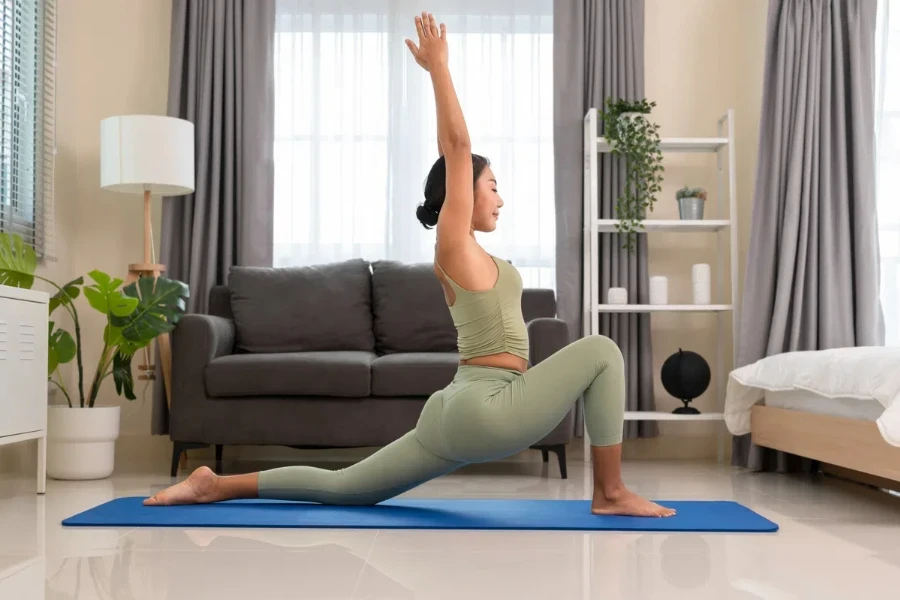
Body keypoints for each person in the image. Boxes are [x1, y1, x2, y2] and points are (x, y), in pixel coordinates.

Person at [144, 12, 675, 518]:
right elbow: (458, 145)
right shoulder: (455, 245)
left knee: (345, 486)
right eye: (492, 186)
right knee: (603, 350)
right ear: (462, 194)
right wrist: (439, 69)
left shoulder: (476, 255)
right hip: (486, 407)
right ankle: (610, 491)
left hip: (454, 411)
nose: (501, 198)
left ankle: (215, 485)